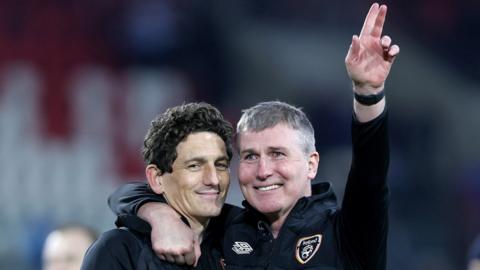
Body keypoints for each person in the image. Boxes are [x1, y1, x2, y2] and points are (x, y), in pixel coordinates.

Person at [108, 3, 399, 269]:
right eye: (250, 156)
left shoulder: (347, 234)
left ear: (311, 164)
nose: (263, 171)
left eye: (277, 154)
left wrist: (368, 93)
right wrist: (161, 216)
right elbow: (126, 194)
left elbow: (370, 175)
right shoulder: (222, 229)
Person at [81, 102, 236, 269]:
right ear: (156, 178)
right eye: (194, 166)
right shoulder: (121, 250)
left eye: (220, 165)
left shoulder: (246, 242)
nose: (213, 179)